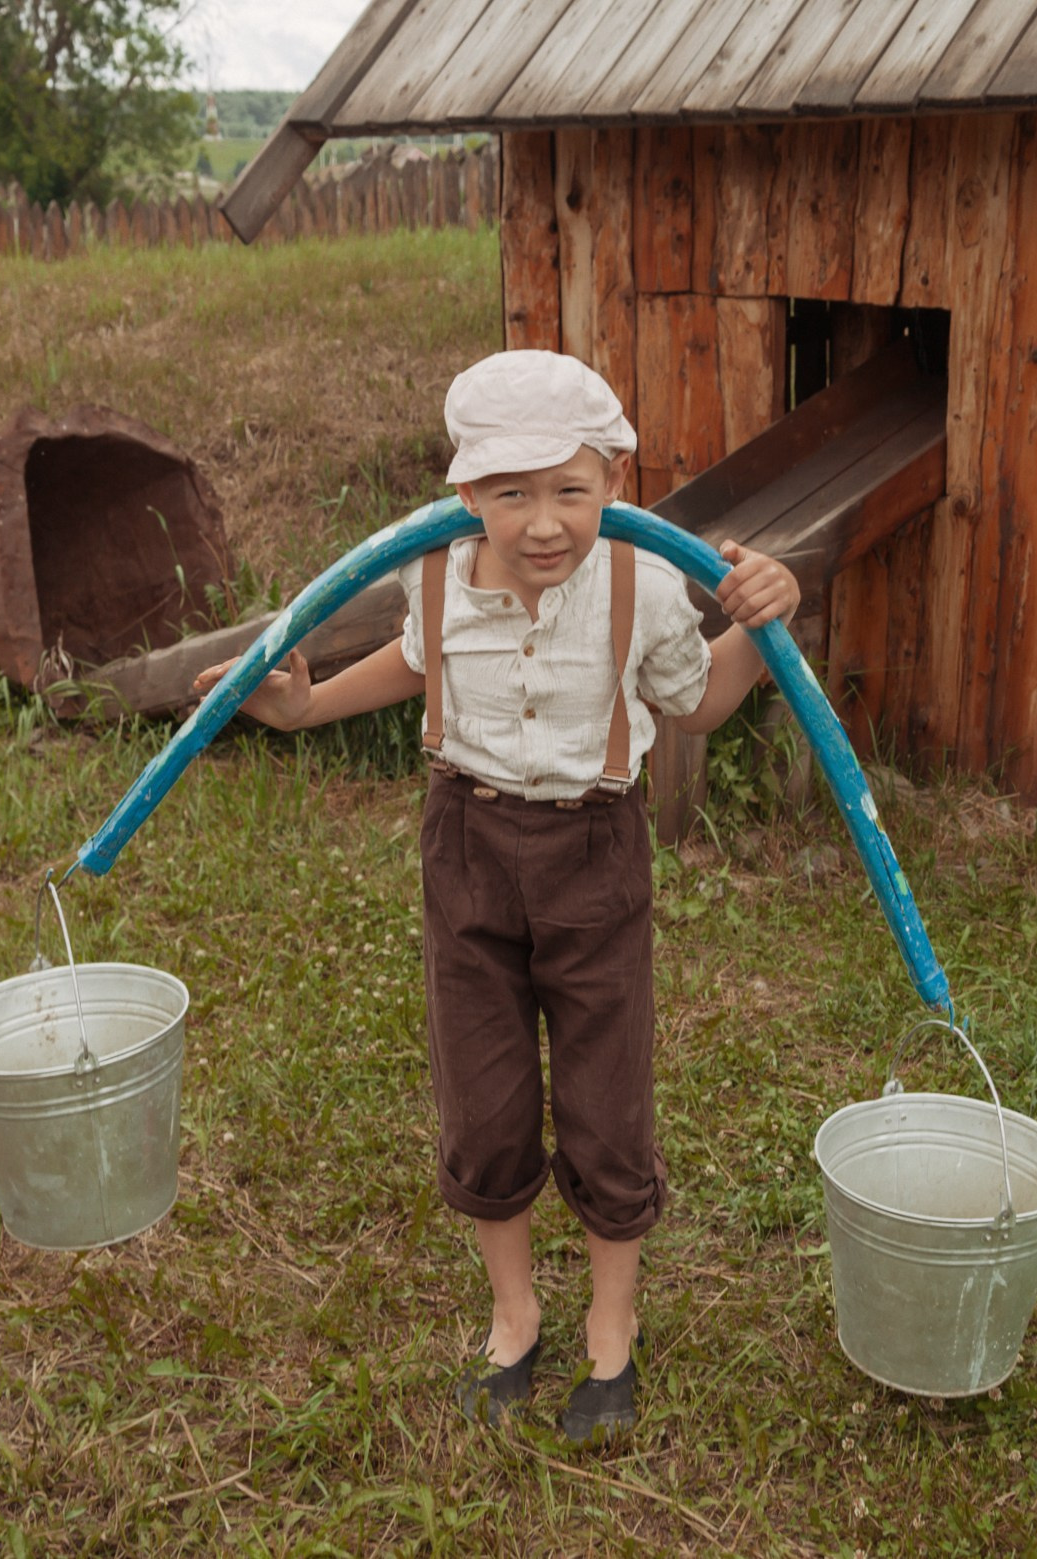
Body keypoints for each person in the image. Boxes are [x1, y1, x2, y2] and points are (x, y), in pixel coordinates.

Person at [190, 350, 798, 1446]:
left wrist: (761, 619)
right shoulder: (433, 572)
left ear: (614, 475)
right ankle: (513, 1313)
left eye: (569, 488)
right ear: (465, 491)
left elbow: (700, 702)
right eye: (510, 493)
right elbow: (417, 665)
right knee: (483, 1091)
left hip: (593, 853)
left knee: (608, 1093)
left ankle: (612, 1325)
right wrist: (303, 704)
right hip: (465, 842)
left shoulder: (643, 582)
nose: (543, 522)